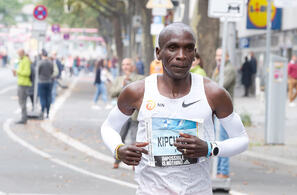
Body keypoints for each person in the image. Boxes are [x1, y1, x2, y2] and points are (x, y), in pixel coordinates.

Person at [101, 23, 248, 194]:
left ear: (194, 54)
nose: (181, 56)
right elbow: (108, 127)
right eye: (172, 48)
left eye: (188, 49)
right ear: (158, 53)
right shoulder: (137, 92)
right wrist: (118, 149)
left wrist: (210, 148)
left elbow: (242, 139)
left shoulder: (213, 93)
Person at [109, 58, 144, 169]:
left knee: (135, 138)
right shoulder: (118, 79)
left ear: (133, 66)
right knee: (120, 138)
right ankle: (117, 160)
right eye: (123, 64)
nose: (126, 67)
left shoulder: (140, 79)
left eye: (128, 64)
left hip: (135, 115)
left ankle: (135, 161)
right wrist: (121, 86)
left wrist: (131, 84)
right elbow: (112, 93)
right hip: (122, 115)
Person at [212, 48, 236, 179]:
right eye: (217, 55)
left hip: (225, 111)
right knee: (218, 141)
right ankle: (219, 169)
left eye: (221, 55)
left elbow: (218, 87)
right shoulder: (218, 69)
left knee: (223, 141)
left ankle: (224, 171)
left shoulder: (228, 70)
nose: (218, 57)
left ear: (227, 56)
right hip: (218, 110)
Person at [12, 49, 32, 124]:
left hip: (24, 84)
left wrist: (17, 71)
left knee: (22, 101)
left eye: (19, 53)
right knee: (21, 101)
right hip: (21, 83)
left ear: (22, 53)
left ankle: (24, 118)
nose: (18, 54)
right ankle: (24, 117)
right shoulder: (20, 60)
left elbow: (27, 72)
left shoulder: (25, 60)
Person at [38, 49, 53, 119]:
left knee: (42, 98)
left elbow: (38, 71)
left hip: (41, 81)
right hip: (49, 81)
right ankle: (48, 113)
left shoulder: (40, 63)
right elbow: (52, 71)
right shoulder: (51, 62)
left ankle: (42, 111)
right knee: (48, 97)